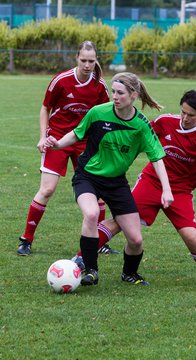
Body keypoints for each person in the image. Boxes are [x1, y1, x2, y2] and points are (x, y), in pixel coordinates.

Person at [74, 89, 196, 287]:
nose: (185, 118)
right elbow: (139, 133)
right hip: (151, 182)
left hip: (180, 191)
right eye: (183, 112)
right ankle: (81, 258)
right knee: (121, 221)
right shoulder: (165, 121)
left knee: (190, 235)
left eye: (191, 115)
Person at [44, 72, 174, 286]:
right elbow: (77, 134)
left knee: (136, 239)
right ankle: (91, 270)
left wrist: (166, 190)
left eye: (120, 93)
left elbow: (158, 158)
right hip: (88, 176)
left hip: (116, 182)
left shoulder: (141, 125)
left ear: (133, 95)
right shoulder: (97, 113)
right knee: (92, 213)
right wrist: (57, 144)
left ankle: (129, 274)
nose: (114, 96)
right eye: (113, 91)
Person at [17, 40, 110, 256]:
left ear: (96, 60)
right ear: (77, 58)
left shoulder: (100, 86)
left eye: (91, 61)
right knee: (47, 189)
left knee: (98, 192)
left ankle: (101, 241)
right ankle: (26, 240)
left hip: (84, 141)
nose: (87, 65)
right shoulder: (61, 80)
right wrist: (42, 137)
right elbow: (45, 108)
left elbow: (105, 114)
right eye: (84, 60)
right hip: (57, 138)